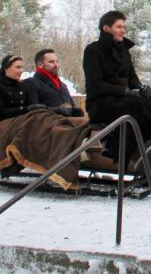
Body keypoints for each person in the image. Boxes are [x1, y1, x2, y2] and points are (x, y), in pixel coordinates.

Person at [83, 11, 151, 163]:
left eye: (123, 27)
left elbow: (132, 78)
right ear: (106, 28)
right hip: (100, 103)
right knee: (137, 106)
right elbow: (95, 84)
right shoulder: (93, 50)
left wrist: (141, 88)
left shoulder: (124, 51)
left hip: (123, 99)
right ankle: (118, 151)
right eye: (118, 27)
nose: (123, 30)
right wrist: (125, 91)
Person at [0, 54, 89, 189]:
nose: (21, 70)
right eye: (17, 67)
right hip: (6, 123)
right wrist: (26, 109)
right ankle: (67, 149)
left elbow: (33, 107)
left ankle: (79, 141)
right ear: (6, 68)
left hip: (24, 119)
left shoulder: (21, 86)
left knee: (44, 116)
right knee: (39, 118)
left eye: (22, 67)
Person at [23, 48, 84, 117]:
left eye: (57, 61)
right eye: (51, 62)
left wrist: (75, 111)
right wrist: (58, 110)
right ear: (40, 64)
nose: (56, 65)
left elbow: (71, 106)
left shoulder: (63, 85)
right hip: (47, 122)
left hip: (69, 122)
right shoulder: (31, 83)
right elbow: (32, 111)